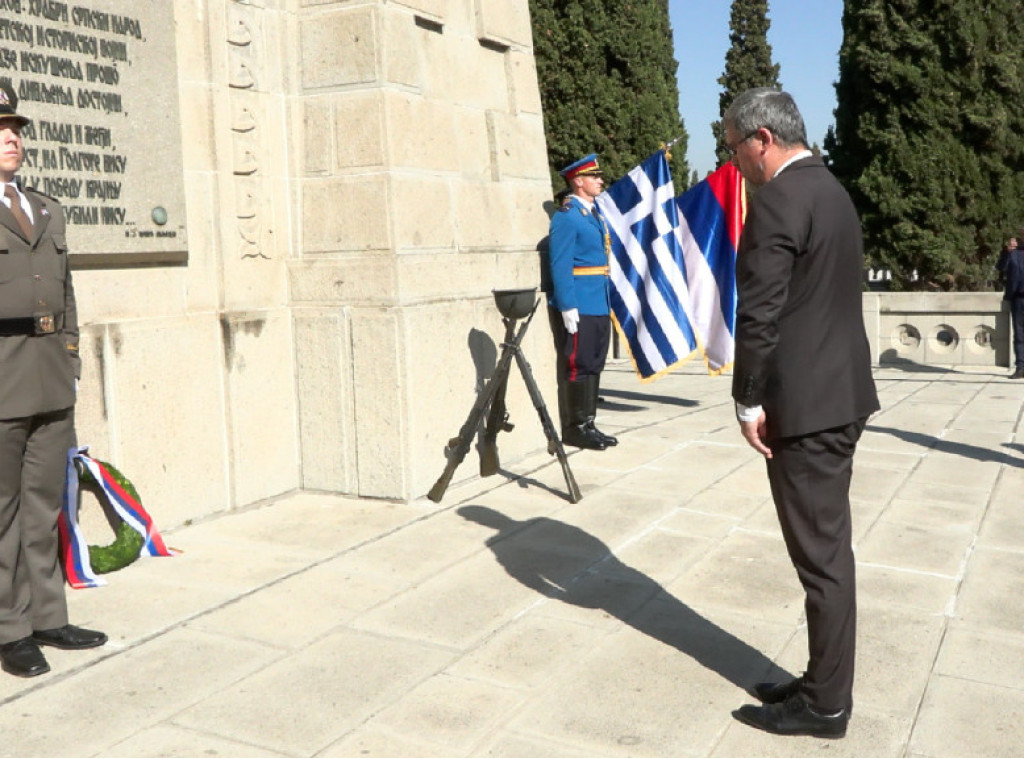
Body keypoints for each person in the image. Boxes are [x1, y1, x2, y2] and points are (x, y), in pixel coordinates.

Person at [724, 88, 879, 739]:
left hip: (808, 407)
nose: (734, 162)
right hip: (841, 392)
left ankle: (826, 707)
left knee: (821, 559)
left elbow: (760, 313)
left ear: (762, 138)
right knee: (827, 551)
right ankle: (821, 681)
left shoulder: (780, 200)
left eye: (734, 148)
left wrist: (747, 399)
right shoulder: (830, 189)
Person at [0, 81, 106, 678]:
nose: (11, 137)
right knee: (2, 510)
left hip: (47, 374)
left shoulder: (46, 208)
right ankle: (10, 628)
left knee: (43, 506)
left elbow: (64, 293)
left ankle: (47, 615)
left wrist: (69, 355)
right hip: (0, 374)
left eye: (14, 128)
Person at [547, 153, 618, 451]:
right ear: (578, 181)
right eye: (594, 176)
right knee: (578, 364)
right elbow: (560, 263)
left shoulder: (593, 215)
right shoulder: (567, 217)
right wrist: (567, 305)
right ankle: (575, 427)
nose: (600, 180)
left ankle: (589, 422)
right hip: (580, 302)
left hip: (598, 301)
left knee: (594, 363)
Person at [997, 236, 1024, 378]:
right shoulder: (1014, 253)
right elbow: (1001, 267)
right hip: (1018, 299)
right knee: (1019, 335)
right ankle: (1021, 367)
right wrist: (1006, 252)